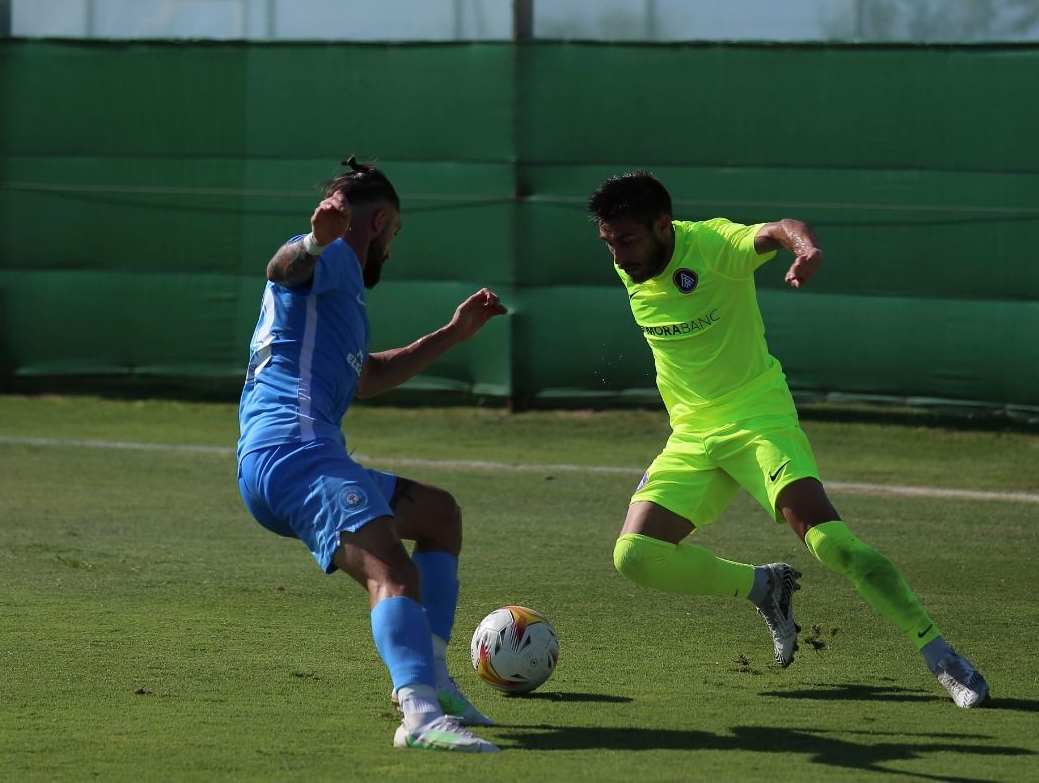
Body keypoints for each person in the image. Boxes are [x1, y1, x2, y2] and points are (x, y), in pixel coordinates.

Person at [587, 170, 988, 709]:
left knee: (834, 546)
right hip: (692, 433)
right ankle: (764, 587)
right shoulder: (631, 264)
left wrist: (806, 248)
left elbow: (779, 229)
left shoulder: (713, 244)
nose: (618, 256)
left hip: (758, 419)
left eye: (627, 240)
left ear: (663, 226)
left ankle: (941, 655)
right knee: (635, 555)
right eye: (608, 243)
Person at [237, 158, 509, 752]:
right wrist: (316, 240)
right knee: (394, 573)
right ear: (381, 222)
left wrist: (453, 334)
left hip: (290, 456)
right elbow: (282, 269)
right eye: (395, 233)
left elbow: (369, 378)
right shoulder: (332, 256)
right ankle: (419, 715)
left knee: (438, 514)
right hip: (294, 453)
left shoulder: (341, 291)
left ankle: (434, 681)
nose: (391, 246)